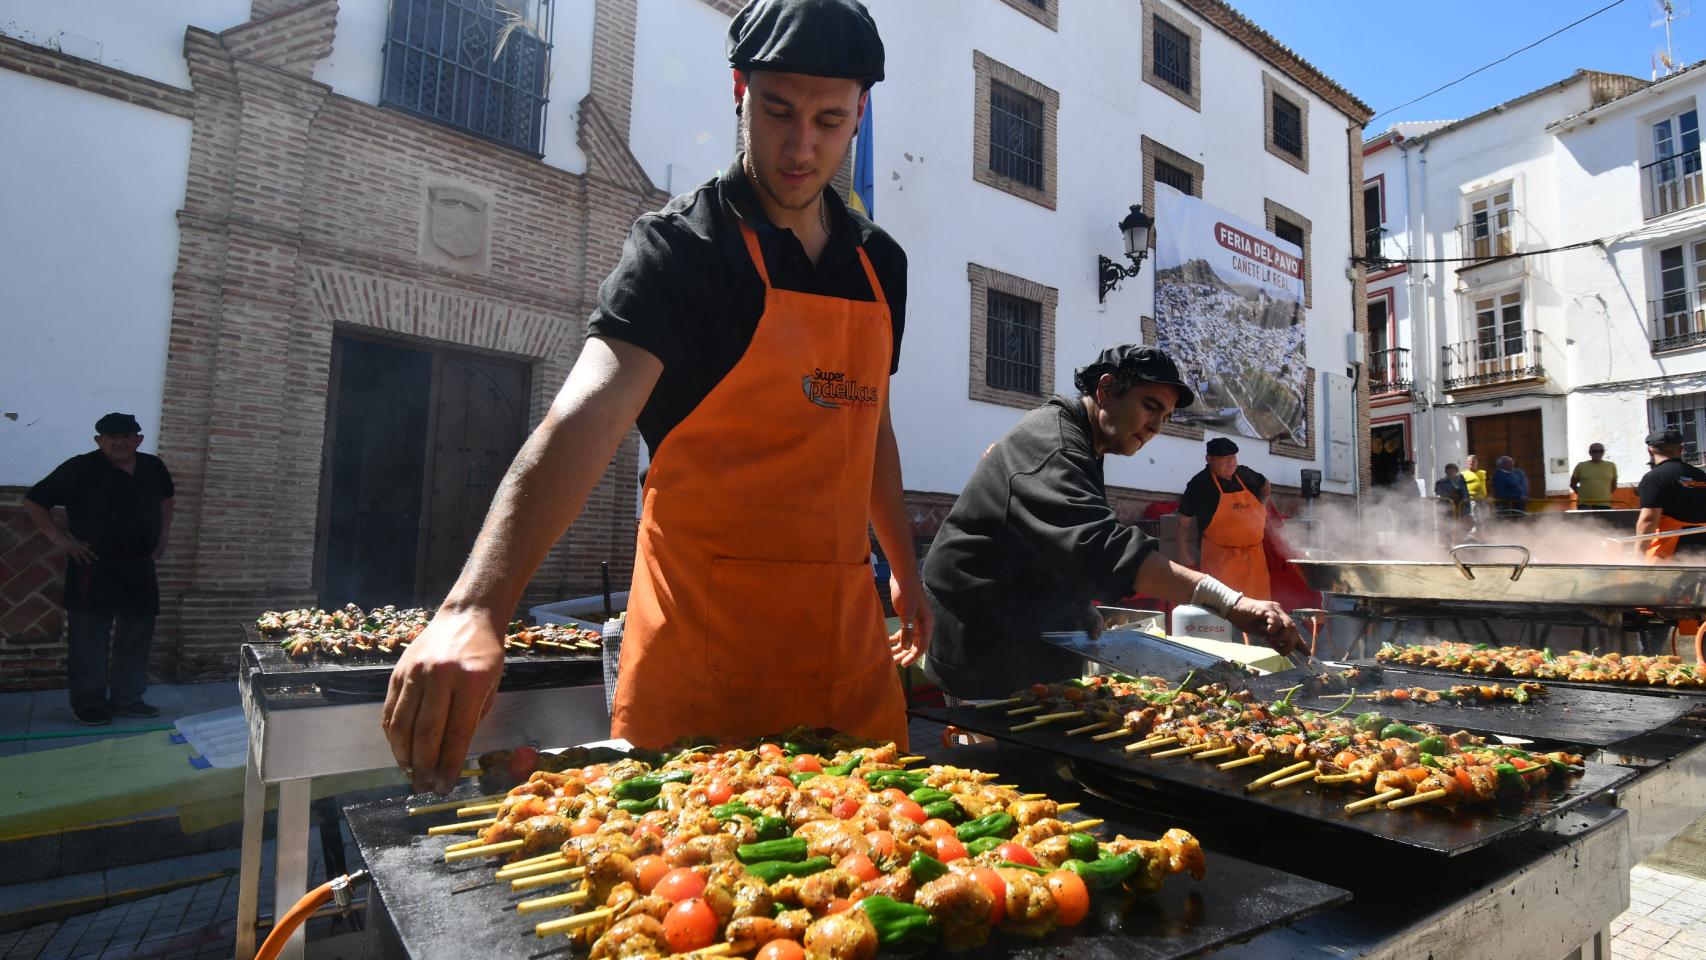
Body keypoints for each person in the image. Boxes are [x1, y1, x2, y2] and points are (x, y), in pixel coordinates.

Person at [381, 0, 927, 793]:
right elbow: (585, 416)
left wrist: (904, 565)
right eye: (778, 111)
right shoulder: (680, 249)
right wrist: (477, 605)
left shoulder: (882, 264)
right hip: (704, 664)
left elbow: (866, 418)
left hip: (845, 655)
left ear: (859, 114)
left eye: (830, 120)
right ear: (740, 89)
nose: (802, 146)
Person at [921, 345, 1300, 700]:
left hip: (1030, 630)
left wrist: (1080, 609)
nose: (1155, 427)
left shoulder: (1085, 442)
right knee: (996, 760)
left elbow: (1058, 545)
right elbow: (1102, 547)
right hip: (982, 641)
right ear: (1105, 391)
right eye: (1149, 407)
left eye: (1165, 418)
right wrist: (1231, 603)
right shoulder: (1053, 441)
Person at [22, 413, 175, 726]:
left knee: (137, 633)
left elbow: (167, 498)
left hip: (139, 564)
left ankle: (127, 698)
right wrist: (61, 540)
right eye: (109, 436)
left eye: (126, 435)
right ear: (98, 441)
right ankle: (89, 704)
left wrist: (163, 535)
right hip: (93, 564)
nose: (118, 441)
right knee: (89, 637)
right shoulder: (80, 468)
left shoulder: (152, 467)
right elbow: (34, 501)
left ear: (138, 439)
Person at [1178, 437, 1273, 601]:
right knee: (1224, 608)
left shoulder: (1244, 474)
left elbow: (1265, 484)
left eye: (1233, 457)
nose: (1231, 462)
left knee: (1259, 609)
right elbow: (1183, 522)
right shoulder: (1200, 484)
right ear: (1209, 459)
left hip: (1254, 557)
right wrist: (1184, 553)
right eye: (1224, 458)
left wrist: (1262, 505)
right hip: (1220, 559)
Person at [1635, 427, 1706, 562]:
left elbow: (1649, 520)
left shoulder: (1654, 478)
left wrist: (1638, 555)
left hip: (1673, 551)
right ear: (1681, 449)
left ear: (1650, 450)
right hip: (1703, 548)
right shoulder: (1700, 475)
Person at [1570, 443, 1618, 510]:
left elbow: (1614, 485)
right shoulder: (1581, 466)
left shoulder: (1611, 466)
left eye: (1601, 451)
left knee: (1603, 521)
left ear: (1603, 452)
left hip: (1604, 504)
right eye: (1594, 451)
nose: (1598, 453)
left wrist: (1604, 495)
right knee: (1585, 521)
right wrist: (1582, 494)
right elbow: (1572, 484)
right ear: (1590, 453)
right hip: (1585, 504)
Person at [1462, 453, 1489, 529]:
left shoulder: (1483, 473)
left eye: (1473, 461)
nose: (1471, 463)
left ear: (1477, 462)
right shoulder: (1463, 474)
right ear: (1467, 463)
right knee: (1476, 519)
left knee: (1485, 520)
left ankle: (1483, 536)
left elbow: (1490, 483)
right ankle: (1474, 537)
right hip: (1472, 500)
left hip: (1483, 500)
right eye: (1469, 461)